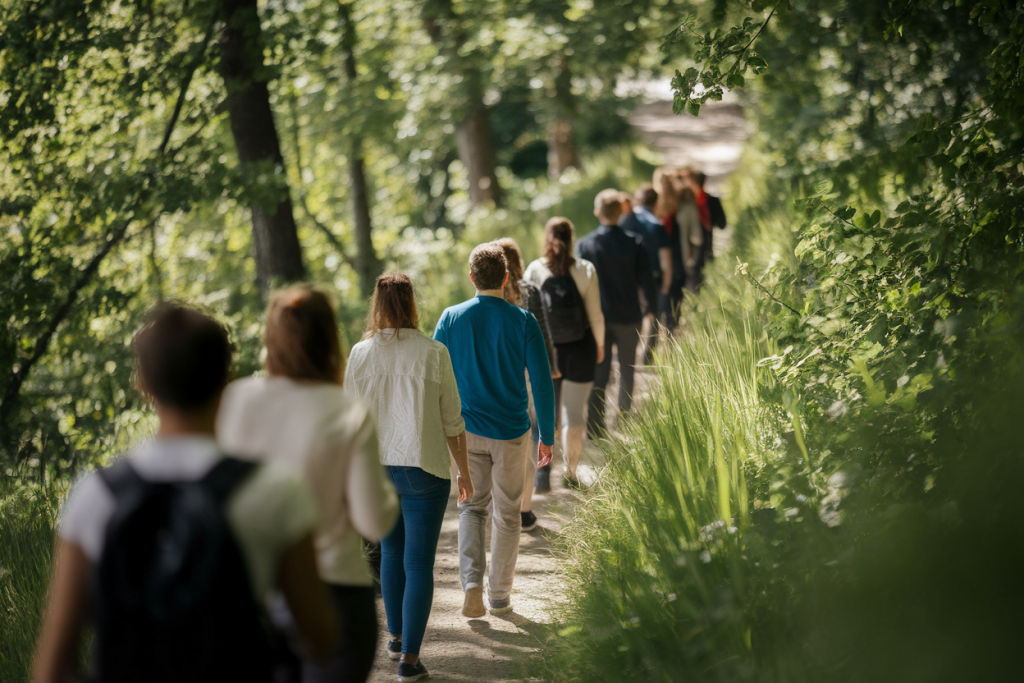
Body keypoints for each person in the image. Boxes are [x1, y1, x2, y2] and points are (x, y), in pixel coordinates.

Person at [33, 302, 336, 683]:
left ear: (144, 383)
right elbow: (320, 638)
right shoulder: (275, 489)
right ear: (226, 377)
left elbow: (52, 665)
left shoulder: (95, 496)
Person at [218, 285, 399, 683]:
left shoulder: (235, 400)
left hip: (250, 595)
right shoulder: (346, 412)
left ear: (270, 340)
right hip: (336, 594)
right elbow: (373, 522)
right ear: (329, 340)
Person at [344, 273, 473, 683]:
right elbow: (453, 422)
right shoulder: (434, 353)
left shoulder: (360, 354)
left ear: (377, 306)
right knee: (418, 563)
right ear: (412, 303)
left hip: (375, 470)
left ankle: (397, 636)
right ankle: (410, 662)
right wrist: (465, 472)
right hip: (424, 468)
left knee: (390, 552)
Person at [433, 243, 555, 617]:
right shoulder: (523, 321)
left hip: (465, 433)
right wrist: (547, 436)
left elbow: (435, 379)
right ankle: (498, 595)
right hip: (511, 434)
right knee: (507, 514)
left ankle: (471, 584)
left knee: (471, 508)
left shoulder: (450, 318)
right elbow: (542, 381)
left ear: (471, 278)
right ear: (506, 278)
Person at [524, 217, 606, 488]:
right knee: (573, 414)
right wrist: (600, 344)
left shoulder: (535, 270)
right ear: (571, 239)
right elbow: (595, 315)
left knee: (545, 414)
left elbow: (525, 315)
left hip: (546, 352)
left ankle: (542, 476)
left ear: (546, 238)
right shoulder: (585, 269)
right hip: (580, 349)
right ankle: (570, 473)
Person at [576, 189, 657, 439]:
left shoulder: (586, 245)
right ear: (621, 211)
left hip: (598, 319)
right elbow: (647, 281)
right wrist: (650, 310)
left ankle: (595, 426)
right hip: (628, 315)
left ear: (598, 212)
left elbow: (580, 286)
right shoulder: (634, 242)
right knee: (627, 369)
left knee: (600, 372)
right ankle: (623, 421)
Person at [492, 237, 558, 530]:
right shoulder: (529, 291)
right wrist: (551, 366)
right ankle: (525, 510)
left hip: (498, 374)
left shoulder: (490, 295)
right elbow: (543, 332)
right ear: (517, 262)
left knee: (500, 440)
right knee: (529, 441)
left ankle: (500, 504)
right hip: (528, 374)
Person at [627, 184, 672, 365]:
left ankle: (629, 353)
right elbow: (666, 260)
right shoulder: (657, 226)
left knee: (633, 316)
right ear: (656, 202)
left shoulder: (626, 221)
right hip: (652, 278)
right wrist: (666, 285)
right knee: (652, 316)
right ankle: (646, 357)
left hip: (628, 276)